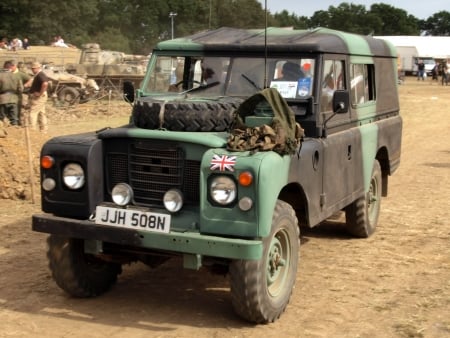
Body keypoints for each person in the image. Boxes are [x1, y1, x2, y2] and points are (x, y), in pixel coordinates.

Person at [24, 62, 49, 132]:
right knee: (41, 113)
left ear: (38, 68)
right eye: (32, 68)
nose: (32, 70)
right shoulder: (37, 75)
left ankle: (32, 130)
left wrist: (40, 93)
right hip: (41, 96)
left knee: (33, 112)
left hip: (39, 97)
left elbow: (45, 83)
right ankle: (44, 130)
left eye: (33, 68)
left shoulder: (40, 75)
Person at [7, 60, 31, 125]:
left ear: (14, 66)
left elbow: (30, 79)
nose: (9, 68)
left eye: (10, 67)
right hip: (10, 95)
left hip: (19, 95)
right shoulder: (8, 74)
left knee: (21, 109)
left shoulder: (20, 74)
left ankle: (21, 123)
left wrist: (25, 86)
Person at [0, 61, 23, 126]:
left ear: (4, 67)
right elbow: (21, 89)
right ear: (10, 67)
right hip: (14, 99)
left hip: (2, 99)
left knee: (2, 118)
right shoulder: (16, 76)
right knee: (14, 119)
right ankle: (15, 130)